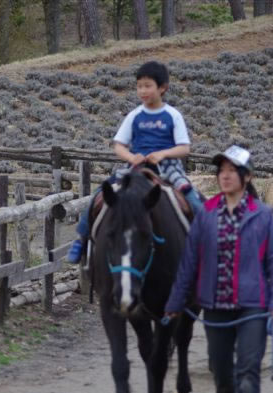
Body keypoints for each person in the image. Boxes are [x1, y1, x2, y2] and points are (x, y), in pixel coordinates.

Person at [164, 145, 273, 393]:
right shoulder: (206, 214)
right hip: (215, 306)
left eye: (233, 170)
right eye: (222, 170)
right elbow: (189, 263)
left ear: (247, 177)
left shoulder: (263, 215)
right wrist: (175, 302)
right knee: (220, 373)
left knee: (247, 370)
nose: (226, 175)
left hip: (253, 306)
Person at [66, 60, 203, 263]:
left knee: (193, 200)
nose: (142, 91)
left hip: (168, 168)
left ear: (162, 87)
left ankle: (209, 243)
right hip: (135, 168)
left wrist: (163, 154)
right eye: (139, 86)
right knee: (98, 196)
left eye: (148, 86)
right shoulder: (134, 115)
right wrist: (131, 157)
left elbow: (184, 148)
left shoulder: (173, 115)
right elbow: (118, 145)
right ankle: (81, 239)